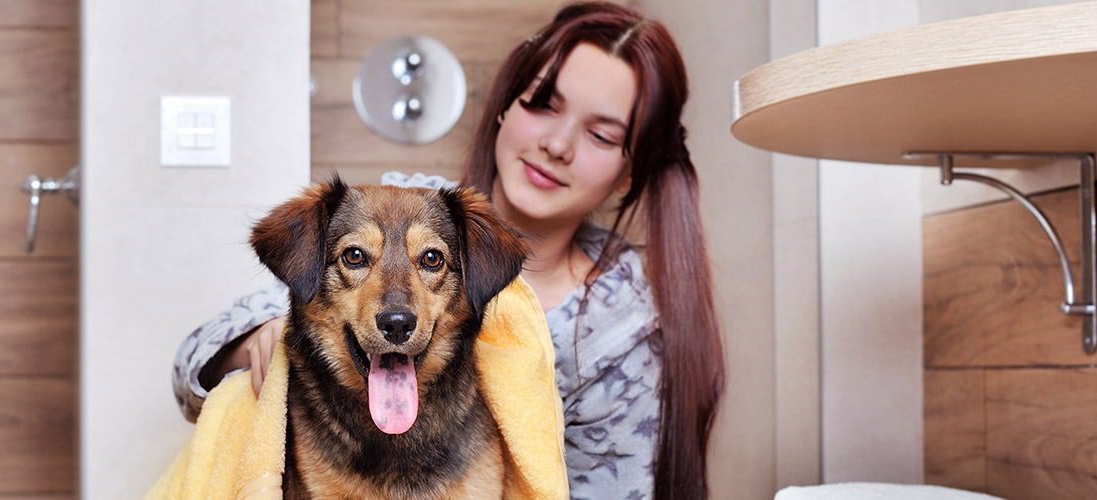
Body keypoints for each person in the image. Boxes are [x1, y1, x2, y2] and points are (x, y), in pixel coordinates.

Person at [172, 2, 724, 498]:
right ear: (507, 106)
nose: (557, 145)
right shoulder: (393, 207)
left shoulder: (619, 333)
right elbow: (191, 374)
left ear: (630, 174)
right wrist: (259, 338)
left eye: (601, 135)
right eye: (542, 104)